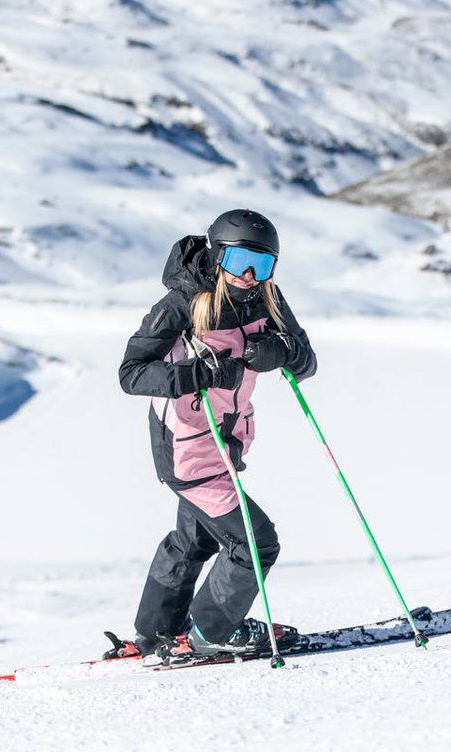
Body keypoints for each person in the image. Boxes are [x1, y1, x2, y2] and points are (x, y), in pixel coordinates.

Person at [118, 208, 317, 659]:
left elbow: (306, 359)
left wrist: (279, 350)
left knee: (195, 539)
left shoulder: (267, 299)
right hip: (186, 448)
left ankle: (156, 635)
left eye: (261, 264)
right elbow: (131, 374)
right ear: (216, 254)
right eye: (238, 261)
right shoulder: (182, 304)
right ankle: (213, 633)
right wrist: (195, 373)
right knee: (255, 542)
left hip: (227, 441)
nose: (249, 275)